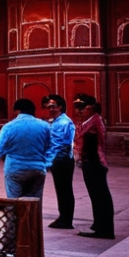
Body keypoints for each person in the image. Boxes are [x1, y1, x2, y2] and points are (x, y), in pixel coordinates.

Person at [0, 98, 53, 199]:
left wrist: (6, 155)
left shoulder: (9, 126)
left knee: (14, 202)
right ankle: (34, 215)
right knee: (34, 201)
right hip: (37, 168)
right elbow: (49, 147)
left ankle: (15, 215)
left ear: (18, 111)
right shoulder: (45, 126)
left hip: (15, 168)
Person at [74, 95, 113, 239]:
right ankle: (99, 224)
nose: (79, 111)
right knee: (96, 195)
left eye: (82, 107)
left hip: (94, 162)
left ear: (91, 107)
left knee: (100, 195)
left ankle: (105, 229)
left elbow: (91, 143)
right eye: (77, 108)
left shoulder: (94, 120)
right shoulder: (88, 120)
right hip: (89, 162)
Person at [44, 94, 76, 229]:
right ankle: (64, 217)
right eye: (49, 106)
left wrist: (50, 160)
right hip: (58, 160)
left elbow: (62, 144)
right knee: (62, 190)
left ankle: (66, 219)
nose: (51, 109)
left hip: (62, 160)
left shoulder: (64, 122)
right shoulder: (55, 121)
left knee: (64, 190)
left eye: (53, 106)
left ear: (60, 107)